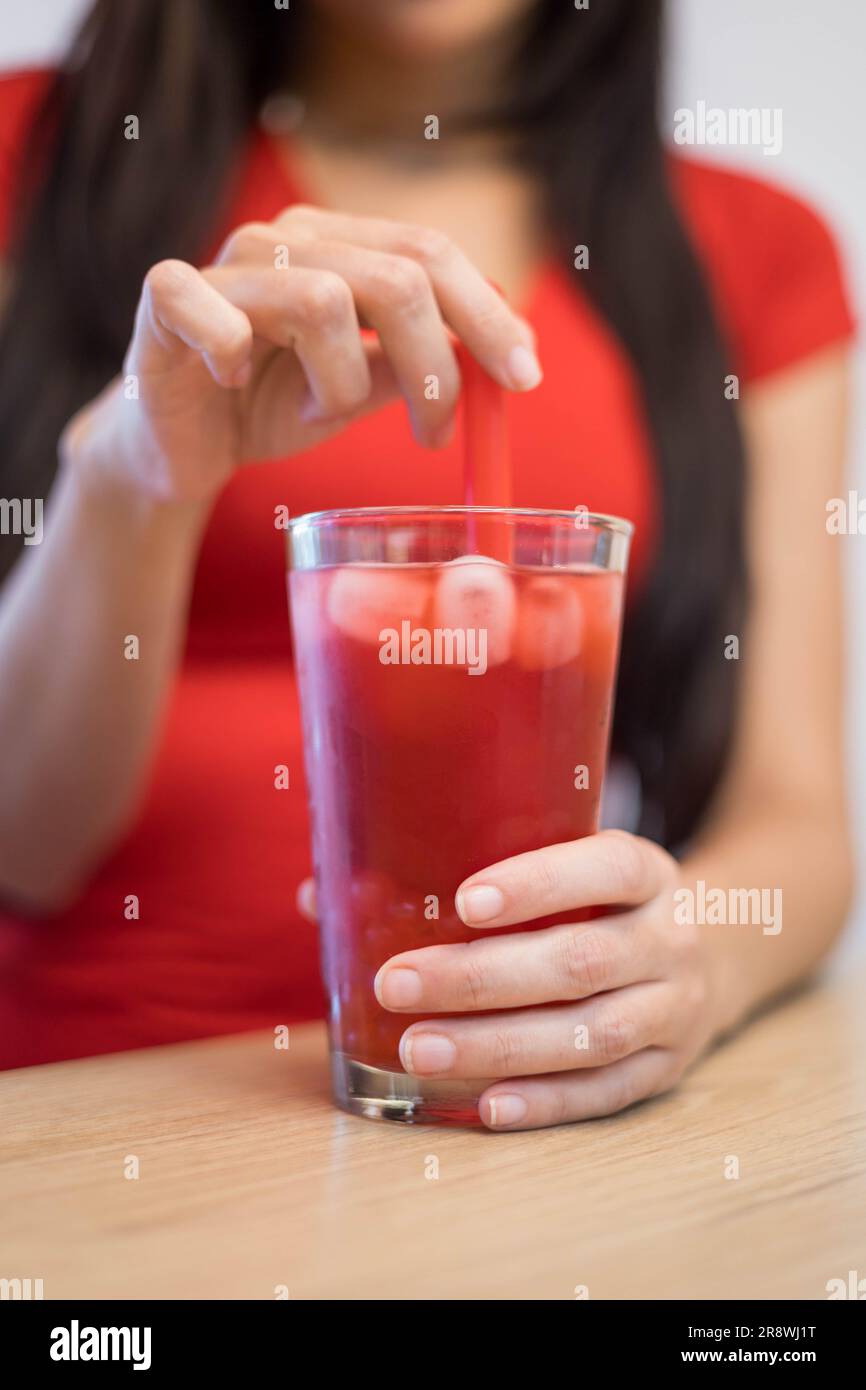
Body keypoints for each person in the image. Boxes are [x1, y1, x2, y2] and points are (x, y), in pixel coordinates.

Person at [0, 0, 855, 1129]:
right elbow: (23, 844)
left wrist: (684, 964)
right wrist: (132, 473)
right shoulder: (35, 155)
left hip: (516, 1115)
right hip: (71, 1118)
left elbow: (794, 816)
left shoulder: (753, 245)